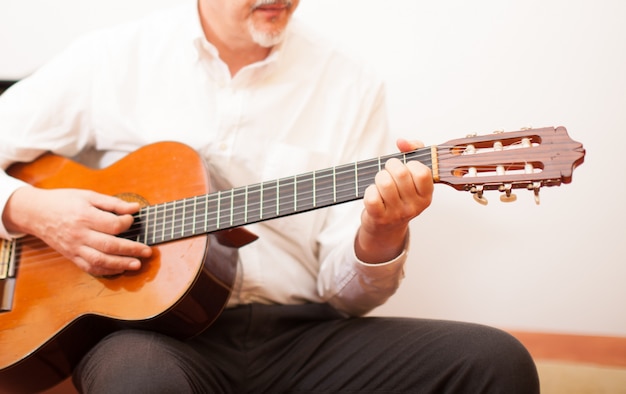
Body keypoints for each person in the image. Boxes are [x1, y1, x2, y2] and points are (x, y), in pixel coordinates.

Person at [0, 0, 539, 393]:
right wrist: (30, 209)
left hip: (305, 337)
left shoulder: (350, 82)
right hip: (154, 337)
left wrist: (381, 230)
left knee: (495, 360)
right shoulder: (114, 58)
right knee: (138, 382)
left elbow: (347, 295)